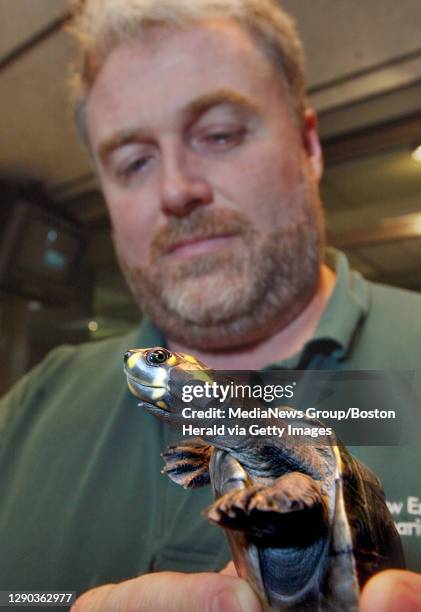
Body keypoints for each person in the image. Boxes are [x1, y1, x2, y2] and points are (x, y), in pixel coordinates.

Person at [0, 0, 420, 610]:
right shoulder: (31, 409)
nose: (175, 189)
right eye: (133, 161)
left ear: (309, 146)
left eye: (220, 134)